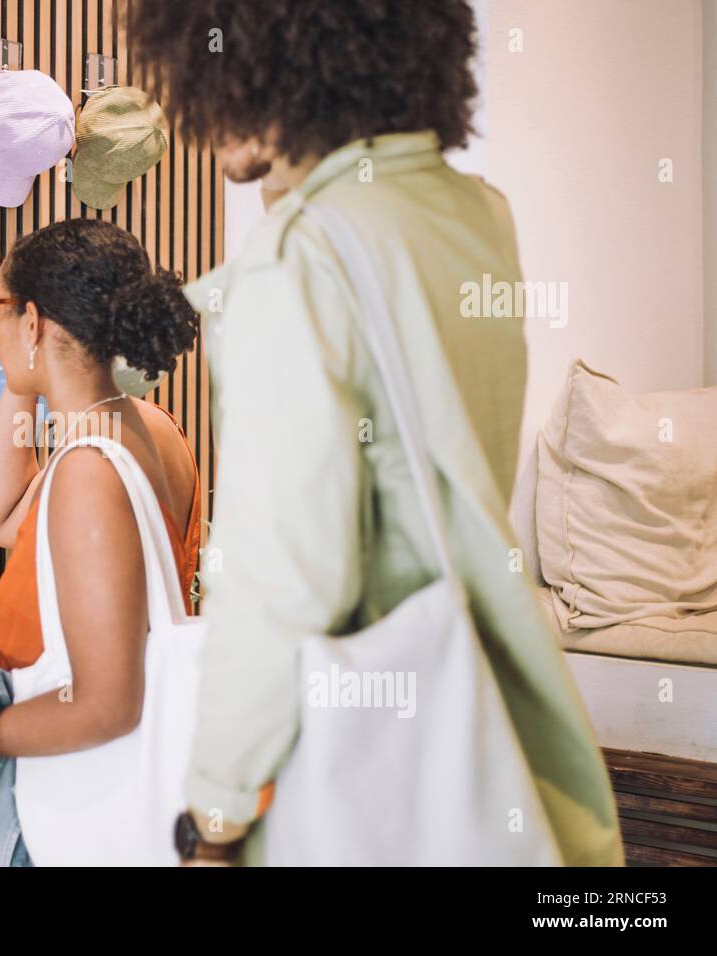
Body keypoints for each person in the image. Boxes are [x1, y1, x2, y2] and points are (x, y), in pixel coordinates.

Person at [125, 0, 624, 865]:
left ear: (260, 63)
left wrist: (213, 817)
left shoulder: (299, 259)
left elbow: (287, 580)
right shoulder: (476, 214)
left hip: (356, 766)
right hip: (497, 719)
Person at [0, 217, 200, 751]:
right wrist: (26, 376)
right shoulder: (140, 426)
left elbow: (108, 704)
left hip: (87, 772)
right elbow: (4, 519)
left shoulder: (87, 465)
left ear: (31, 321)